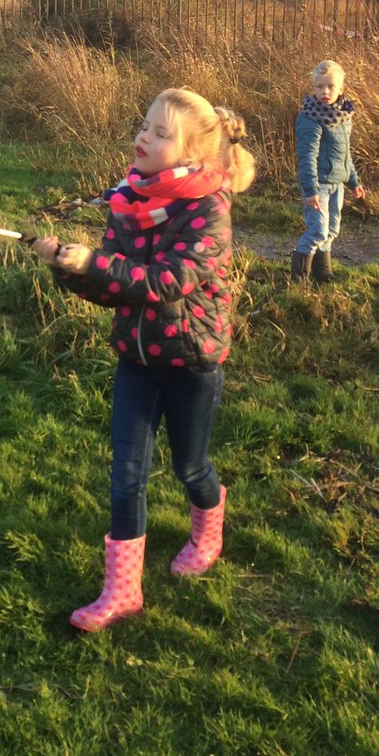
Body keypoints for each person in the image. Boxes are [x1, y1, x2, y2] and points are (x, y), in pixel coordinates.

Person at [34, 88, 256, 633]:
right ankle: (122, 590)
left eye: (160, 133)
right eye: (145, 125)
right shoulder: (131, 201)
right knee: (125, 474)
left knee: (189, 467)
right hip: (136, 359)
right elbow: (114, 289)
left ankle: (209, 526)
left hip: (191, 360)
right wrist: (71, 266)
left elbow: (165, 282)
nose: (143, 137)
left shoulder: (209, 212)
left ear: (191, 157)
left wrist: (98, 263)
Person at [290, 60, 365, 284]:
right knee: (317, 231)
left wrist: (353, 181)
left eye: (331, 86)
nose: (325, 92)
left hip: (337, 184)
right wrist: (311, 190)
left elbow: (345, 154)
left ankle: (323, 273)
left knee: (331, 230)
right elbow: (307, 157)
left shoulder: (342, 117)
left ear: (340, 88)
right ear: (313, 87)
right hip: (319, 186)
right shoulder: (310, 119)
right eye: (320, 87)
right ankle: (298, 279)